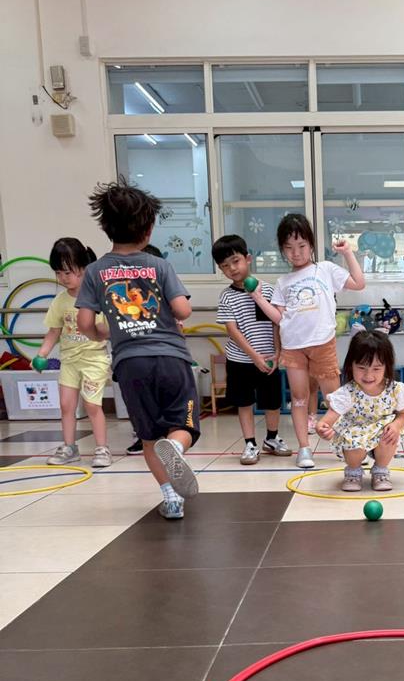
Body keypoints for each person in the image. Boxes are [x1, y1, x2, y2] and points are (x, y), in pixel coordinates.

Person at [76, 178, 200, 520]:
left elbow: (85, 323)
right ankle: (176, 448)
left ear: (106, 227)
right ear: (148, 230)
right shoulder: (159, 266)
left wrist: (102, 332)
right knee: (184, 424)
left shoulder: (95, 271)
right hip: (171, 358)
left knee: (148, 436)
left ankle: (171, 499)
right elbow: (183, 310)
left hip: (130, 364)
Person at [253, 213, 365, 469]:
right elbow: (279, 318)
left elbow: (359, 283)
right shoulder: (283, 282)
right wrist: (258, 298)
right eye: (289, 248)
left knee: (335, 398)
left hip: (322, 343)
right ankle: (304, 448)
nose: (296, 253)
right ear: (282, 250)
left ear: (311, 244)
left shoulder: (324, 269)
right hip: (293, 347)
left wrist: (348, 253)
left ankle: (344, 443)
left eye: (302, 245)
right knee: (299, 398)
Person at [212, 233, 291, 464]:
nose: (232, 268)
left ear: (248, 258)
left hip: (269, 359)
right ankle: (250, 443)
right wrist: (254, 356)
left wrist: (278, 352)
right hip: (240, 360)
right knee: (244, 402)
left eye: (235, 261)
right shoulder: (226, 296)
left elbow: (276, 324)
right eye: (225, 266)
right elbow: (232, 330)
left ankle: (272, 439)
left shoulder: (268, 290)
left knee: (272, 402)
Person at [40, 238, 112, 468]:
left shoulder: (97, 297)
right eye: (58, 273)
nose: (63, 278)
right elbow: (54, 331)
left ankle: (102, 448)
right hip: (69, 361)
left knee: (92, 405)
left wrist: (103, 330)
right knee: (66, 405)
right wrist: (42, 354)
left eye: (68, 272)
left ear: (84, 268)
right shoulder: (60, 301)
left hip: (94, 359)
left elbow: (107, 329)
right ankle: (69, 447)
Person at [316, 328, 404, 491]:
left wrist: (396, 426)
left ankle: (380, 470)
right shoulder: (347, 393)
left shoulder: (395, 390)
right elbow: (329, 418)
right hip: (355, 433)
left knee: (389, 435)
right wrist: (322, 427)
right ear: (351, 365)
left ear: (386, 367)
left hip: (381, 432)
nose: (368, 375)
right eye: (362, 368)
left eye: (376, 369)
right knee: (353, 444)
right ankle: (353, 471)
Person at [126, 243, 163, 455]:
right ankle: (142, 436)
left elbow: (180, 317)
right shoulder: (126, 299)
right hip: (133, 358)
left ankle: (165, 437)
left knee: (160, 398)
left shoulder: (163, 295)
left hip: (161, 357)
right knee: (138, 401)